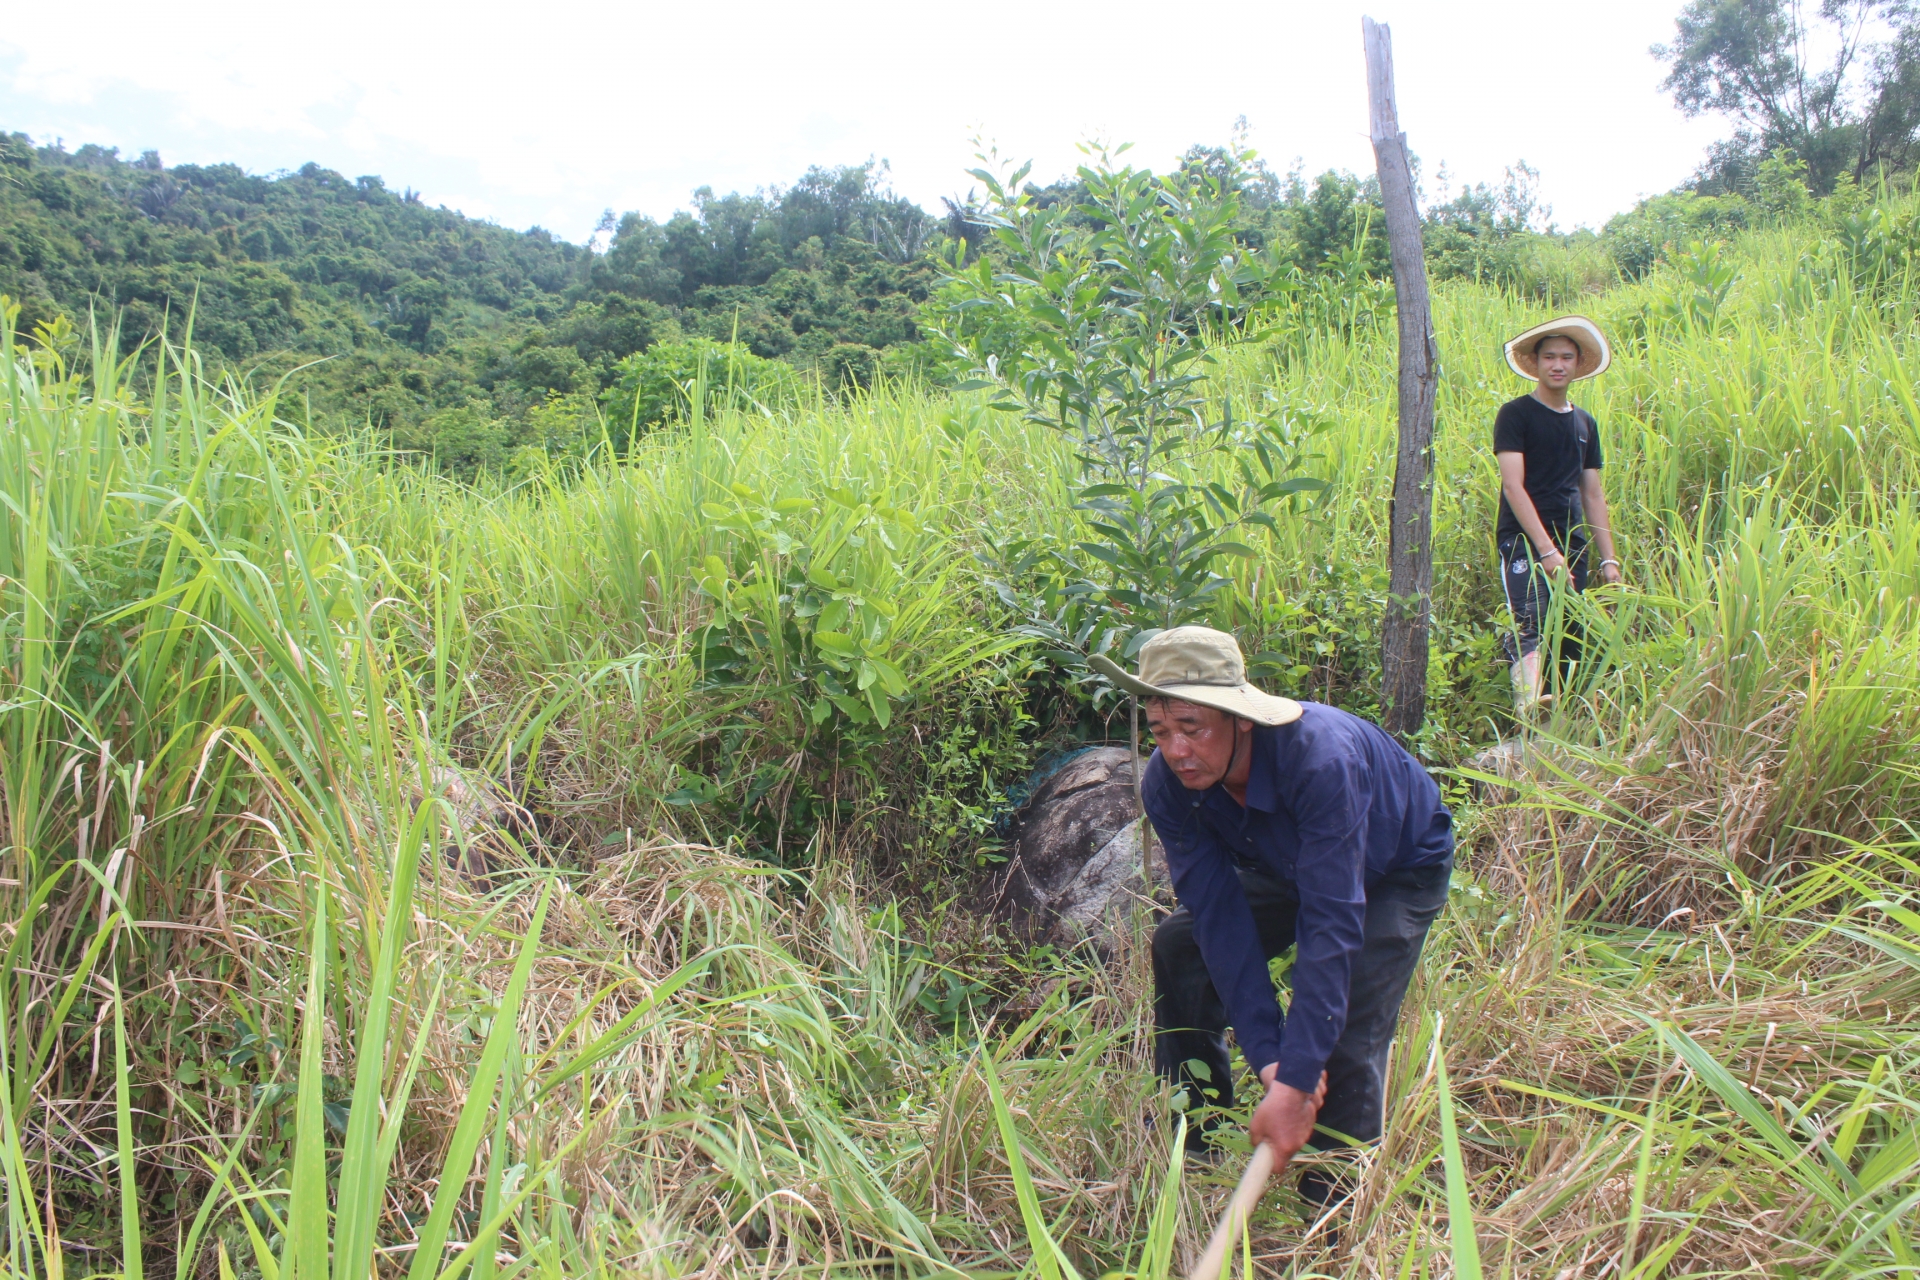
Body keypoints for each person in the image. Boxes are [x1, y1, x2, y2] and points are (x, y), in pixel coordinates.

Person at [1090, 627, 1453, 1208]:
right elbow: (1217, 916)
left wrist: (1299, 1078)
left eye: (1192, 728)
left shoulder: (1320, 761)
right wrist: (1270, 1059)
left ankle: (1330, 1206)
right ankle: (1196, 1135)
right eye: (1160, 731)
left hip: (1396, 867)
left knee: (1350, 1018)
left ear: (1241, 718)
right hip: (1287, 862)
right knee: (1181, 943)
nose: (1176, 750)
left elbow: (1329, 928)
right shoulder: (1167, 784)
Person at [1494, 315, 1623, 710]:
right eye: (1549, 356)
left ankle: (1565, 715)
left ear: (1577, 364)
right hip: (1524, 540)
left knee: (1570, 629)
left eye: (1566, 357)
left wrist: (1609, 560)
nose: (1557, 365)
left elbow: (1592, 494)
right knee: (1531, 619)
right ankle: (1527, 705)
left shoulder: (1585, 423)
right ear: (1535, 363)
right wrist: (1546, 551)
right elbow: (1513, 485)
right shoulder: (1515, 415)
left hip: (1574, 541)